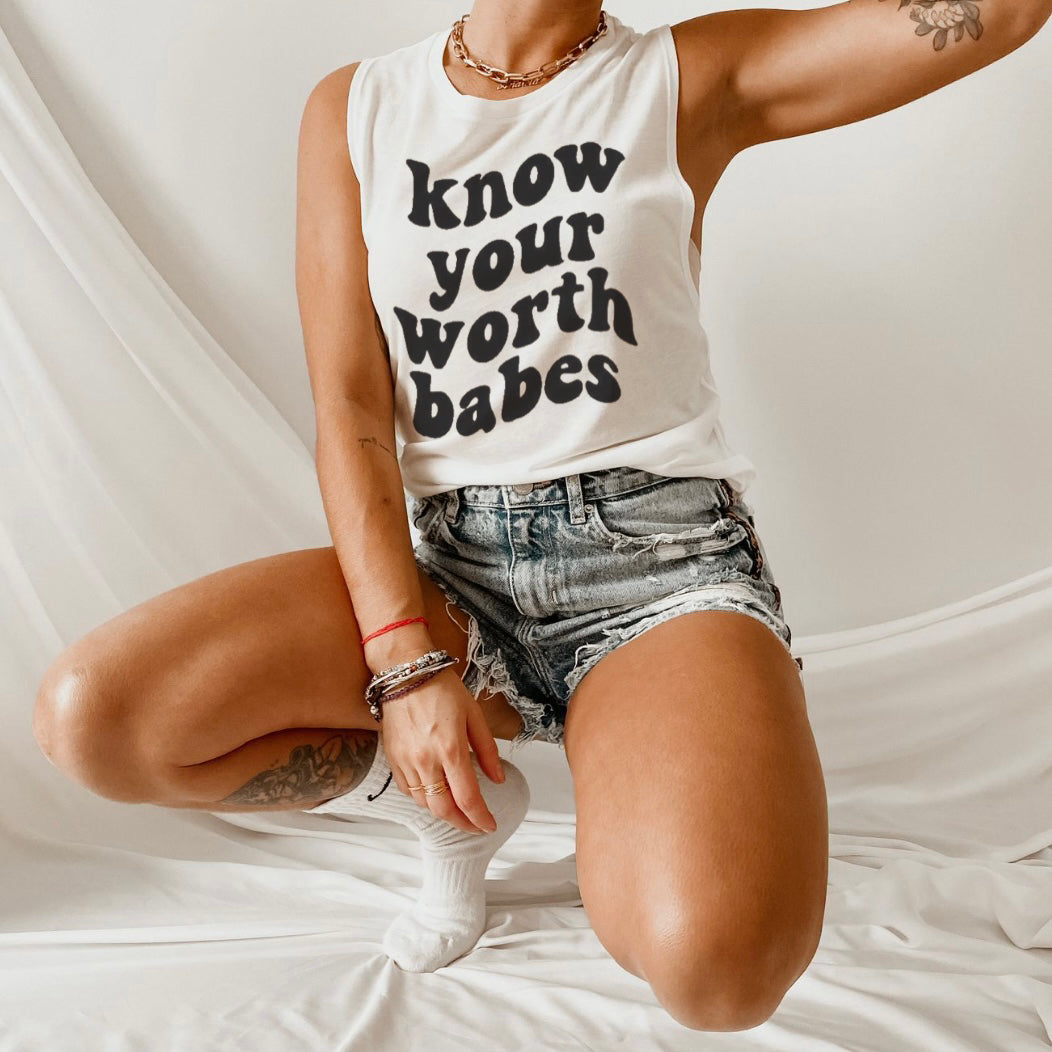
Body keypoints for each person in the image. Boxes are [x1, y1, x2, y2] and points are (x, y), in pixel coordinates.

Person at [32, 0, 1048, 1032]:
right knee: (96, 720)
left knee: (717, 969)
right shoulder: (356, 109)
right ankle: (446, 808)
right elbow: (349, 407)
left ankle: (637, 777)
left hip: (658, 569)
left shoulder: (682, 78)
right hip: (447, 575)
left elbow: (997, 15)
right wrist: (404, 666)